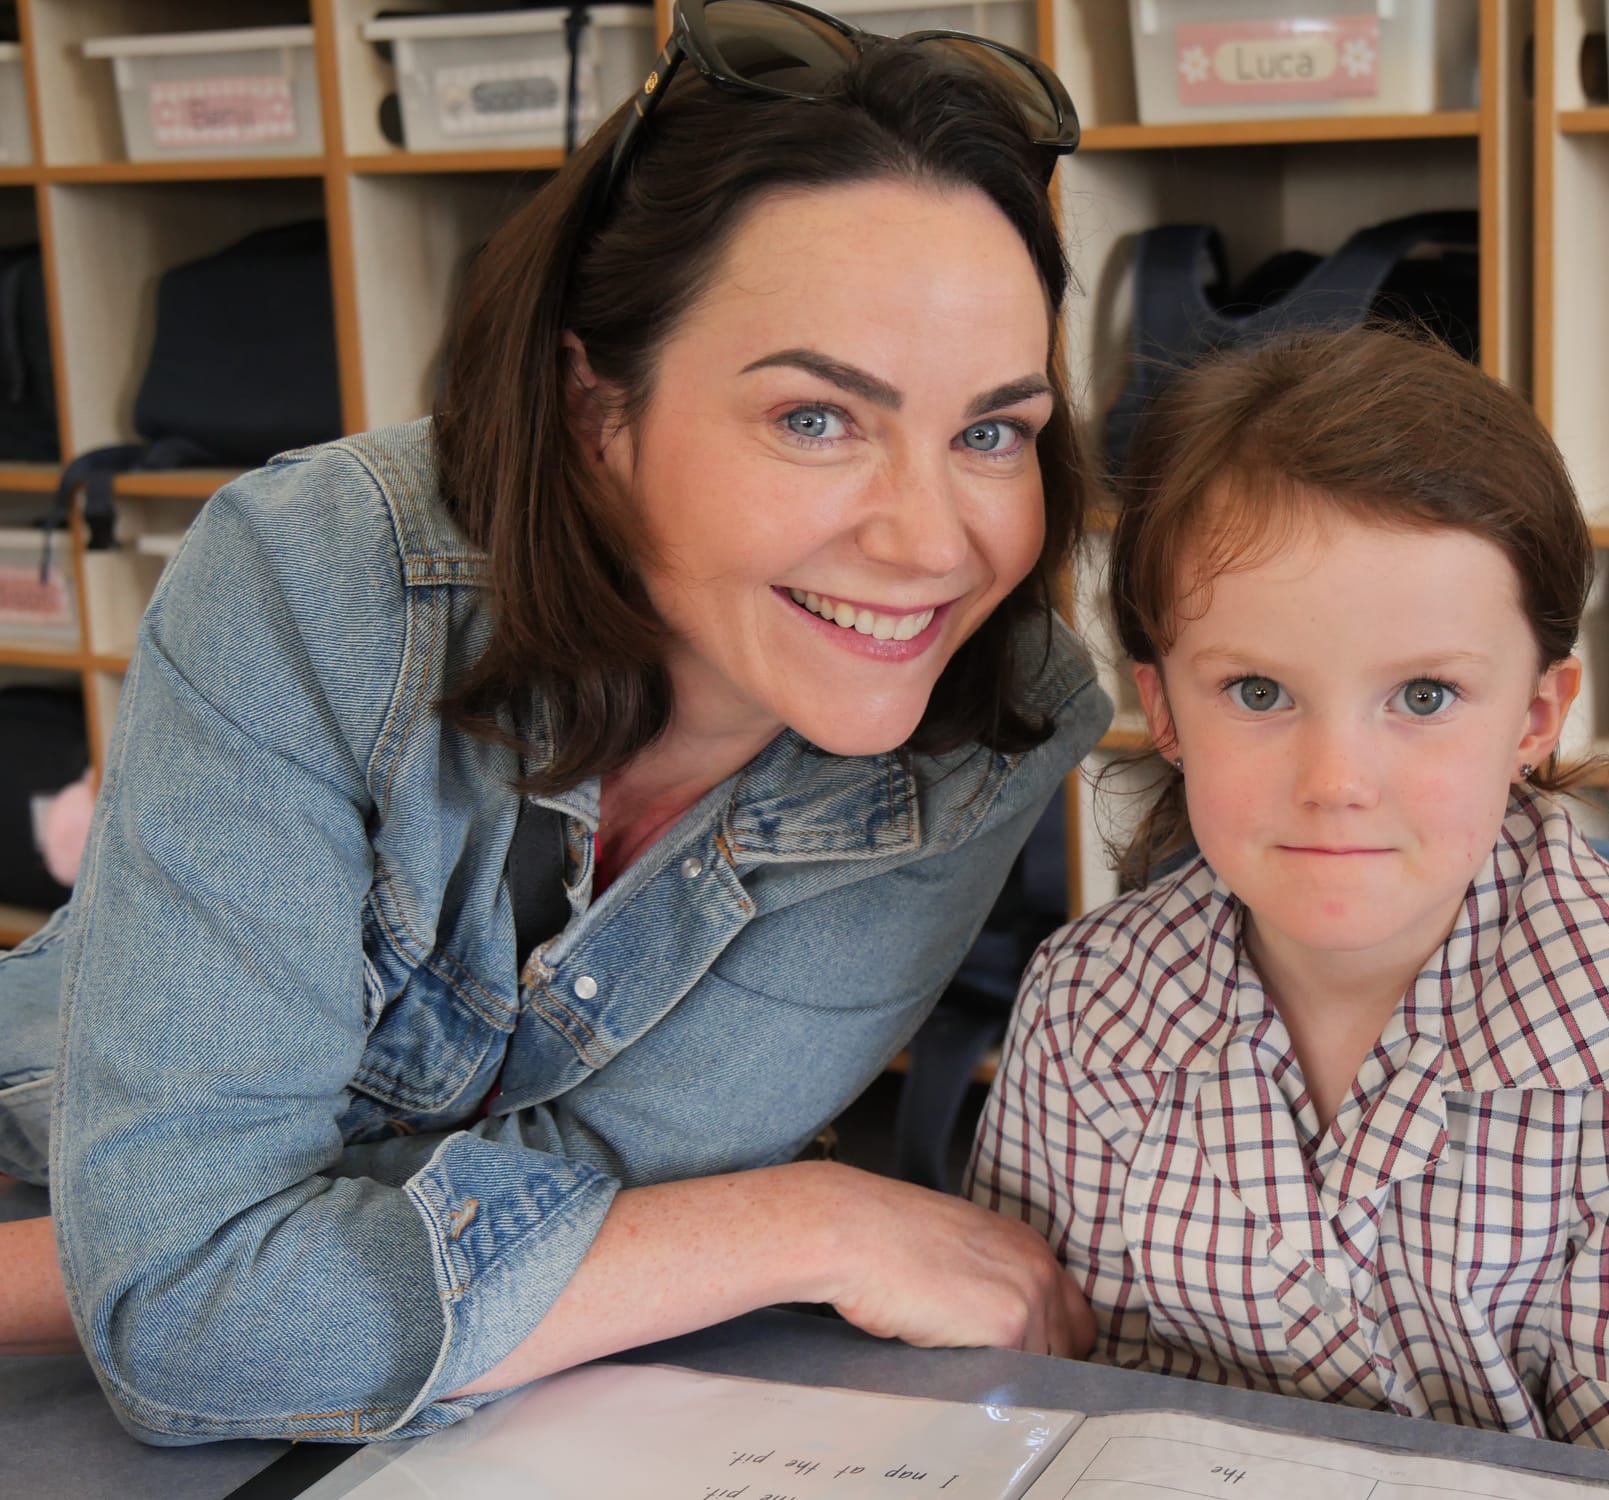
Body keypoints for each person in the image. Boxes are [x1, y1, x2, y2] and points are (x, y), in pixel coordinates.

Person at [0, 1, 1109, 1444]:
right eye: (817, 419)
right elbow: (193, 1314)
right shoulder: (322, 575)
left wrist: (221, 1266)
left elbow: (599, 1206)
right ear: (599, 405)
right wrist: (810, 1221)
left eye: (990, 432)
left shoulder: (992, 728)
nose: (930, 542)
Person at [967, 326, 1609, 1477]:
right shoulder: (1081, 1001)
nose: (1335, 784)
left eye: (1423, 693)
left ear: (1533, 714)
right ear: (1163, 709)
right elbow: (1033, 1415)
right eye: (1256, 690)